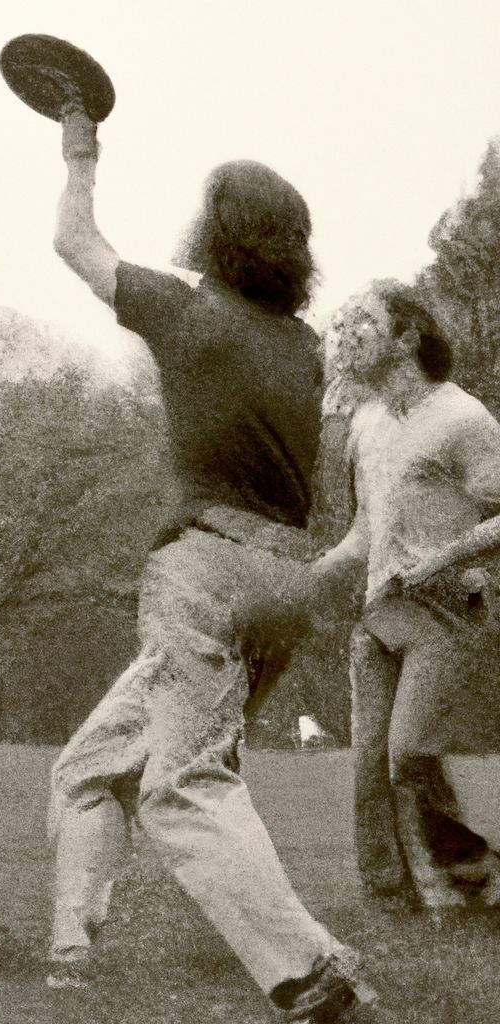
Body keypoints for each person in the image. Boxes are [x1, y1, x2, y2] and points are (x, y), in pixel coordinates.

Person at [46, 104, 378, 1022]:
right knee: (89, 768)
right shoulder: (307, 349)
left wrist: (80, 147)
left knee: (183, 788)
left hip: (206, 576)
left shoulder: (189, 313)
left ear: (215, 234)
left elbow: (74, 240)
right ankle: (71, 948)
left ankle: (309, 975)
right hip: (287, 583)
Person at [313, 280, 500, 915]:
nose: (346, 335)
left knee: (408, 754)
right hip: (377, 614)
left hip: (447, 614)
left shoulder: (464, 419)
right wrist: (304, 579)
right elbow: (365, 533)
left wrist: (443, 559)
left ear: (405, 339)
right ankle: (391, 905)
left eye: (363, 322)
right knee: (369, 772)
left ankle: (475, 873)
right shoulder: (364, 423)